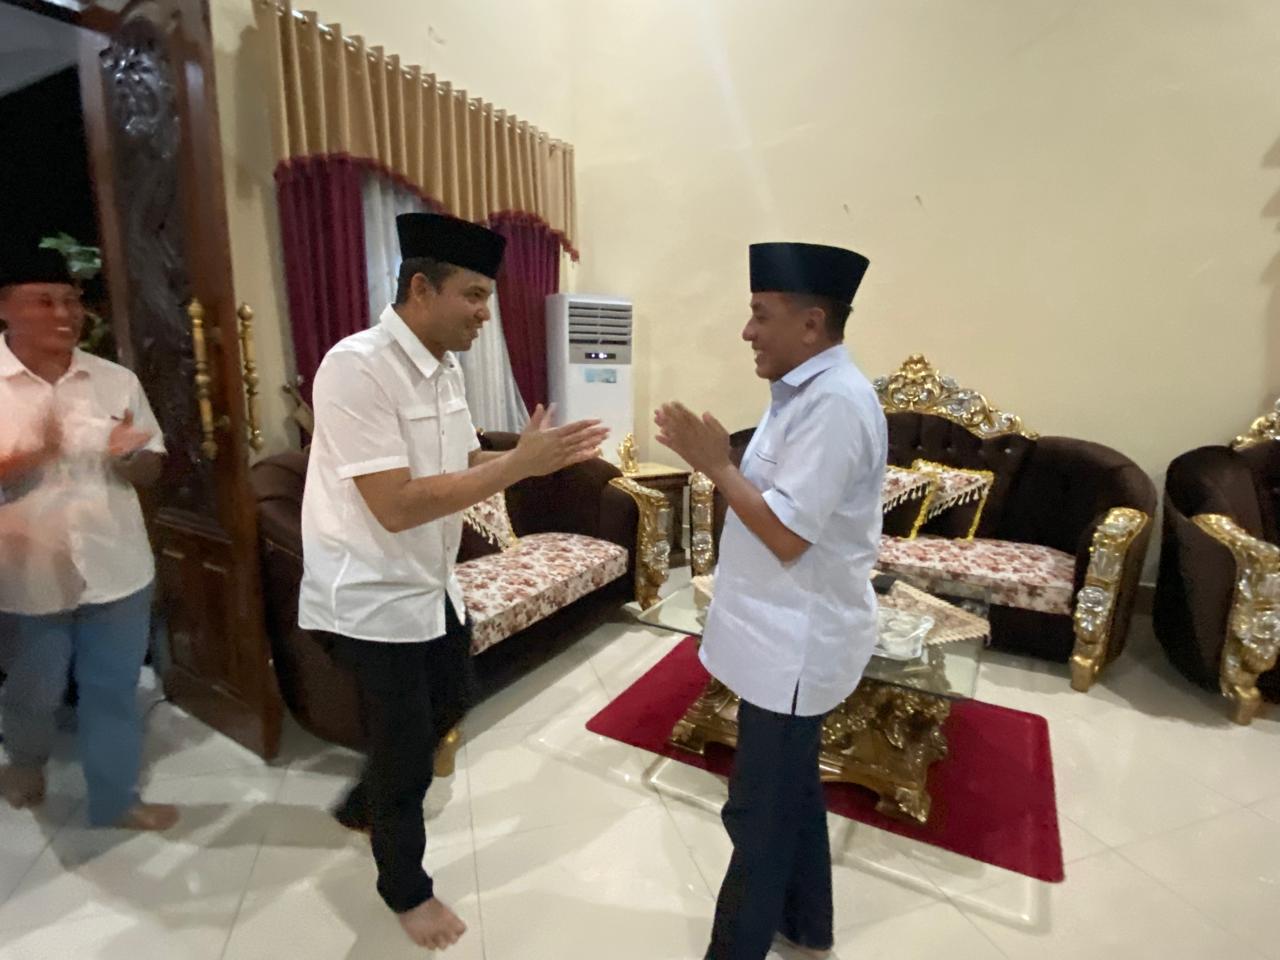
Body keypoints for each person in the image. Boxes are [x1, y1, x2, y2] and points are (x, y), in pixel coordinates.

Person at [299, 212, 609, 952]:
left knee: (452, 698)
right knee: (407, 750)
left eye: (487, 298)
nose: (484, 314)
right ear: (419, 288)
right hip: (368, 594)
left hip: (429, 584)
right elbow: (396, 504)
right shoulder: (356, 366)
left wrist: (536, 461)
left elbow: (466, 462)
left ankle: (362, 804)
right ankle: (404, 890)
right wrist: (518, 466)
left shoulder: (445, 368)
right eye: (473, 295)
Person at [654, 241, 886, 960]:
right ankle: (807, 926)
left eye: (761, 314)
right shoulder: (803, 393)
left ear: (812, 324)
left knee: (758, 817)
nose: (747, 331)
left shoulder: (835, 404)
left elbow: (786, 536)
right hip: (775, 638)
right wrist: (724, 467)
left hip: (795, 646)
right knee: (793, 798)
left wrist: (716, 466)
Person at [0, 241, 175, 831]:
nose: (64, 314)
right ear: (5, 308)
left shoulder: (114, 380)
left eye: (71, 300)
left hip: (115, 564)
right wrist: (34, 453)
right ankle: (25, 762)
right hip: (24, 575)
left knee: (112, 688)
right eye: (43, 301)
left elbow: (151, 467)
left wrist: (130, 458)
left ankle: (116, 796)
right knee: (34, 688)